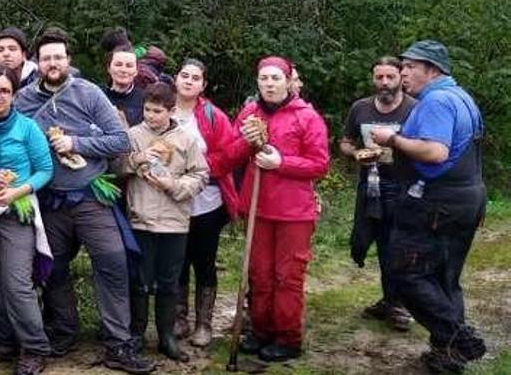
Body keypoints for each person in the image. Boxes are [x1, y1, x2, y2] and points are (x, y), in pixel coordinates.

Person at [12, 30, 153, 374]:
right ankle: (64, 330)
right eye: (46, 58)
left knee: (113, 264)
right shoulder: (24, 100)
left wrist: (77, 144)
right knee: (53, 269)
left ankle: (118, 343)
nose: (53, 63)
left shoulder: (88, 93)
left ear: (68, 60)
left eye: (58, 57)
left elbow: (120, 141)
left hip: (90, 195)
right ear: (38, 63)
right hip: (49, 200)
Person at [368, 40, 487, 373]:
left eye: (410, 68)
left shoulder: (437, 100)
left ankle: (456, 336)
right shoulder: (463, 97)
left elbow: (436, 152)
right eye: (403, 67)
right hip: (466, 196)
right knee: (445, 278)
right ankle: (447, 356)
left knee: (405, 272)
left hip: (438, 202)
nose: (404, 74)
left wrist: (392, 139)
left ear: (432, 70)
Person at [222, 56, 329, 362]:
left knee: (287, 276)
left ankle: (287, 337)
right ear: (258, 82)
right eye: (264, 79)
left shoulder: (306, 118)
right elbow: (230, 154)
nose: (269, 84)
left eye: (275, 78)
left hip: (293, 211)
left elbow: (319, 164)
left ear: (288, 81)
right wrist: (246, 141)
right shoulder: (249, 113)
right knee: (260, 274)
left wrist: (281, 162)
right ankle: (261, 330)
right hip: (257, 208)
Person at [0, 65, 53, 375]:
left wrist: (18, 191)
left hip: (18, 212)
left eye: (4, 91)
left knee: (16, 283)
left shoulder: (28, 128)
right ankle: (4, 340)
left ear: (14, 95)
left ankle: (35, 347)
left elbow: (45, 170)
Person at [115, 83, 208, 363]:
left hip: (173, 222)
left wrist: (174, 185)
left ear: (171, 110)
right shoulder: (133, 135)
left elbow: (201, 175)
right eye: (147, 110)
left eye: (157, 111)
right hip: (140, 219)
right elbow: (116, 166)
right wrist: (137, 159)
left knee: (169, 283)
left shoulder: (187, 139)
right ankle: (137, 334)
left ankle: (166, 337)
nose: (151, 116)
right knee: (140, 282)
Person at [340, 56, 416, 332]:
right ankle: (389, 299)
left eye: (390, 77)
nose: (384, 82)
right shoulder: (360, 108)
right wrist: (357, 153)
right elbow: (346, 142)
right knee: (361, 242)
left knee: (394, 246)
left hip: (403, 187)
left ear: (400, 78)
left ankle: (399, 305)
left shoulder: (415, 109)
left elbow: (427, 146)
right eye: (379, 77)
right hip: (369, 185)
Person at [170, 59, 242, 347]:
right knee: (177, 259)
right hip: (170, 199)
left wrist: (198, 168)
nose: (188, 81)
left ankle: (204, 323)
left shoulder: (214, 116)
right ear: (176, 79)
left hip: (206, 201)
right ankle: (179, 317)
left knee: (204, 260)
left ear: (203, 85)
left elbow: (230, 154)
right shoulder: (163, 108)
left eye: (195, 78)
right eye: (184, 76)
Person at [105, 48, 144, 128]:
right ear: (109, 68)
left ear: (136, 71)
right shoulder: (96, 95)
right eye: (118, 65)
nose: (123, 70)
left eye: (129, 66)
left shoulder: (145, 99)